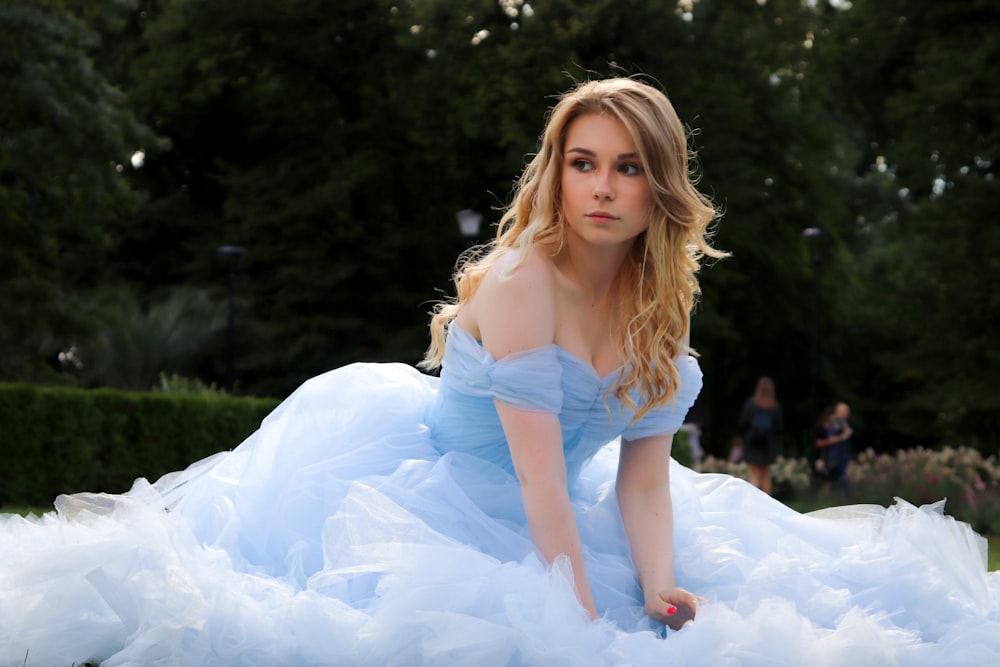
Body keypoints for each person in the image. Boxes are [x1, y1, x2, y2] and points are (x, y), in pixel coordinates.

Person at [1, 77, 998, 666]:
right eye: (582, 162)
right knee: (271, 599)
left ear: (663, 185)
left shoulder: (660, 301)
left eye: (627, 166)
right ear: (555, 171)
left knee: (755, 612)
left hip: (572, 497)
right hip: (445, 488)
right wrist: (577, 617)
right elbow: (531, 481)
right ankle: (146, 533)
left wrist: (655, 585)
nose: (601, 188)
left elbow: (644, 475)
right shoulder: (522, 282)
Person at [736, 376, 784, 495]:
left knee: (754, 473)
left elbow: (743, 423)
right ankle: (767, 503)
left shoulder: (750, 405)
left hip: (753, 443)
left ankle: (752, 500)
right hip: (768, 444)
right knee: (766, 474)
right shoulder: (775, 407)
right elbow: (780, 427)